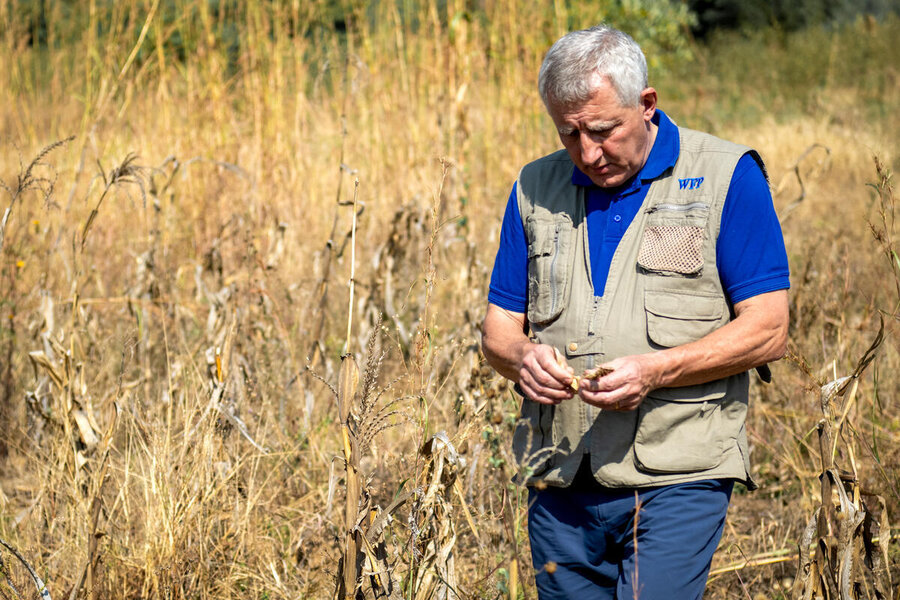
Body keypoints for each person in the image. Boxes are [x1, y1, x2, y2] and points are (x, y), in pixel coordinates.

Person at [481, 25, 790, 599]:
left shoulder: (727, 177)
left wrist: (655, 371)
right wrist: (522, 357)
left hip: (678, 475)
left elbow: (769, 329)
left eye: (603, 131)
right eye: (569, 134)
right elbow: (500, 330)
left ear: (647, 104)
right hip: (561, 475)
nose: (588, 153)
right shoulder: (534, 186)